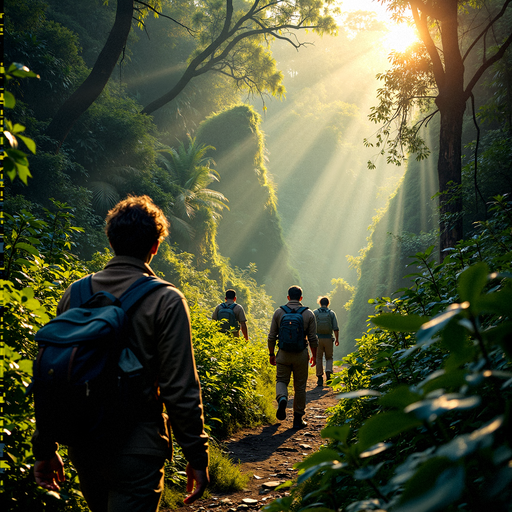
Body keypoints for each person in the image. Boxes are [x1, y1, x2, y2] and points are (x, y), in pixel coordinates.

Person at [32, 195, 209, 511]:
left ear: (110, 240)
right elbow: (179, 388)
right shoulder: (166, 299)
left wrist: (45, 447)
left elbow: (53, 374)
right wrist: (196, 455)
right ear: (155, 246)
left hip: (83, 443)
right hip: (137, 447)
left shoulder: (76, 293)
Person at [267, 285, 318, 429]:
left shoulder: (279, 312)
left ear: (288, 297)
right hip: (301, 354)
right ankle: (297, 419)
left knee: (281, 380)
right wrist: (313, 356)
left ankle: (282, 398)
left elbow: (271, 336)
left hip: (283, 354)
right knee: (300, 386)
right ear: (301, 298)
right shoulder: (308, 314)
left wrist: (271, 354)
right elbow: (313, 339)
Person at [313, 296, 340, 387]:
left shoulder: (315, 313)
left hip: (317, 339)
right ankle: (328, 371)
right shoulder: (331, 313)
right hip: (328, 338)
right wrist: (337, 339)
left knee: (318, 357)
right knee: (329, 357)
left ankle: (320, 377)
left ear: (320, 303)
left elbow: (311, 326)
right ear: (328, 303)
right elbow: (335, 328)